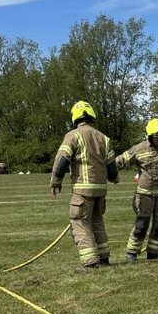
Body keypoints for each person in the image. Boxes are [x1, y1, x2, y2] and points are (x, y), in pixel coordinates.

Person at [50, 101, 119, 269]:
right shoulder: (104, 138)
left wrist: (55, 182)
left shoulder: (73, 135)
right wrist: (114, 177)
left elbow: (61, 161)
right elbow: (111, 166)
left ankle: (89, 261)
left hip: (82, 189)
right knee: (97, 222)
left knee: (79, 222)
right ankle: (104, 258)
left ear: (75, 118)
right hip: (101, 190)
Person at [116, 118, 158, 262]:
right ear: (149, 136)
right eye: (156, 137)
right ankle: (131, 253)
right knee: (141, 225)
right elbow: (120, 160)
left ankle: (153, 253)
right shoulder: (139, 149)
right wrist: (109, 171)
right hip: (144, 197)